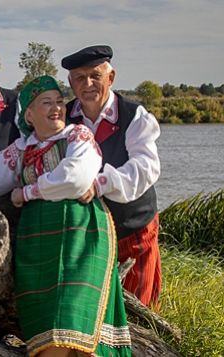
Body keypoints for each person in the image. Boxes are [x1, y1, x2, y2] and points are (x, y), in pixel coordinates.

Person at [0, 76, 131, 357]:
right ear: (30, 115)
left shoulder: (78, 136)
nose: (57, 108)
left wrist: (28, 192)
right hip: (37, 244)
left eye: (59, 101)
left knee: (77, 325)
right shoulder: (21, 150)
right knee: (46, 332)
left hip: (81, 235)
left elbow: (74, 179)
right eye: (47, 103)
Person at [62, 45, 162, 307]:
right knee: (92, 308)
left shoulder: (134, 115)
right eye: (80, 78)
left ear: (111, 77)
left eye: (95, 75)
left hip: (133, 229)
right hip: (85, 232)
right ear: (71, 84)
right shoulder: (63, 118)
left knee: (138, 308)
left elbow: (146, 167)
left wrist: (99, 183)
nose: (88, 84)